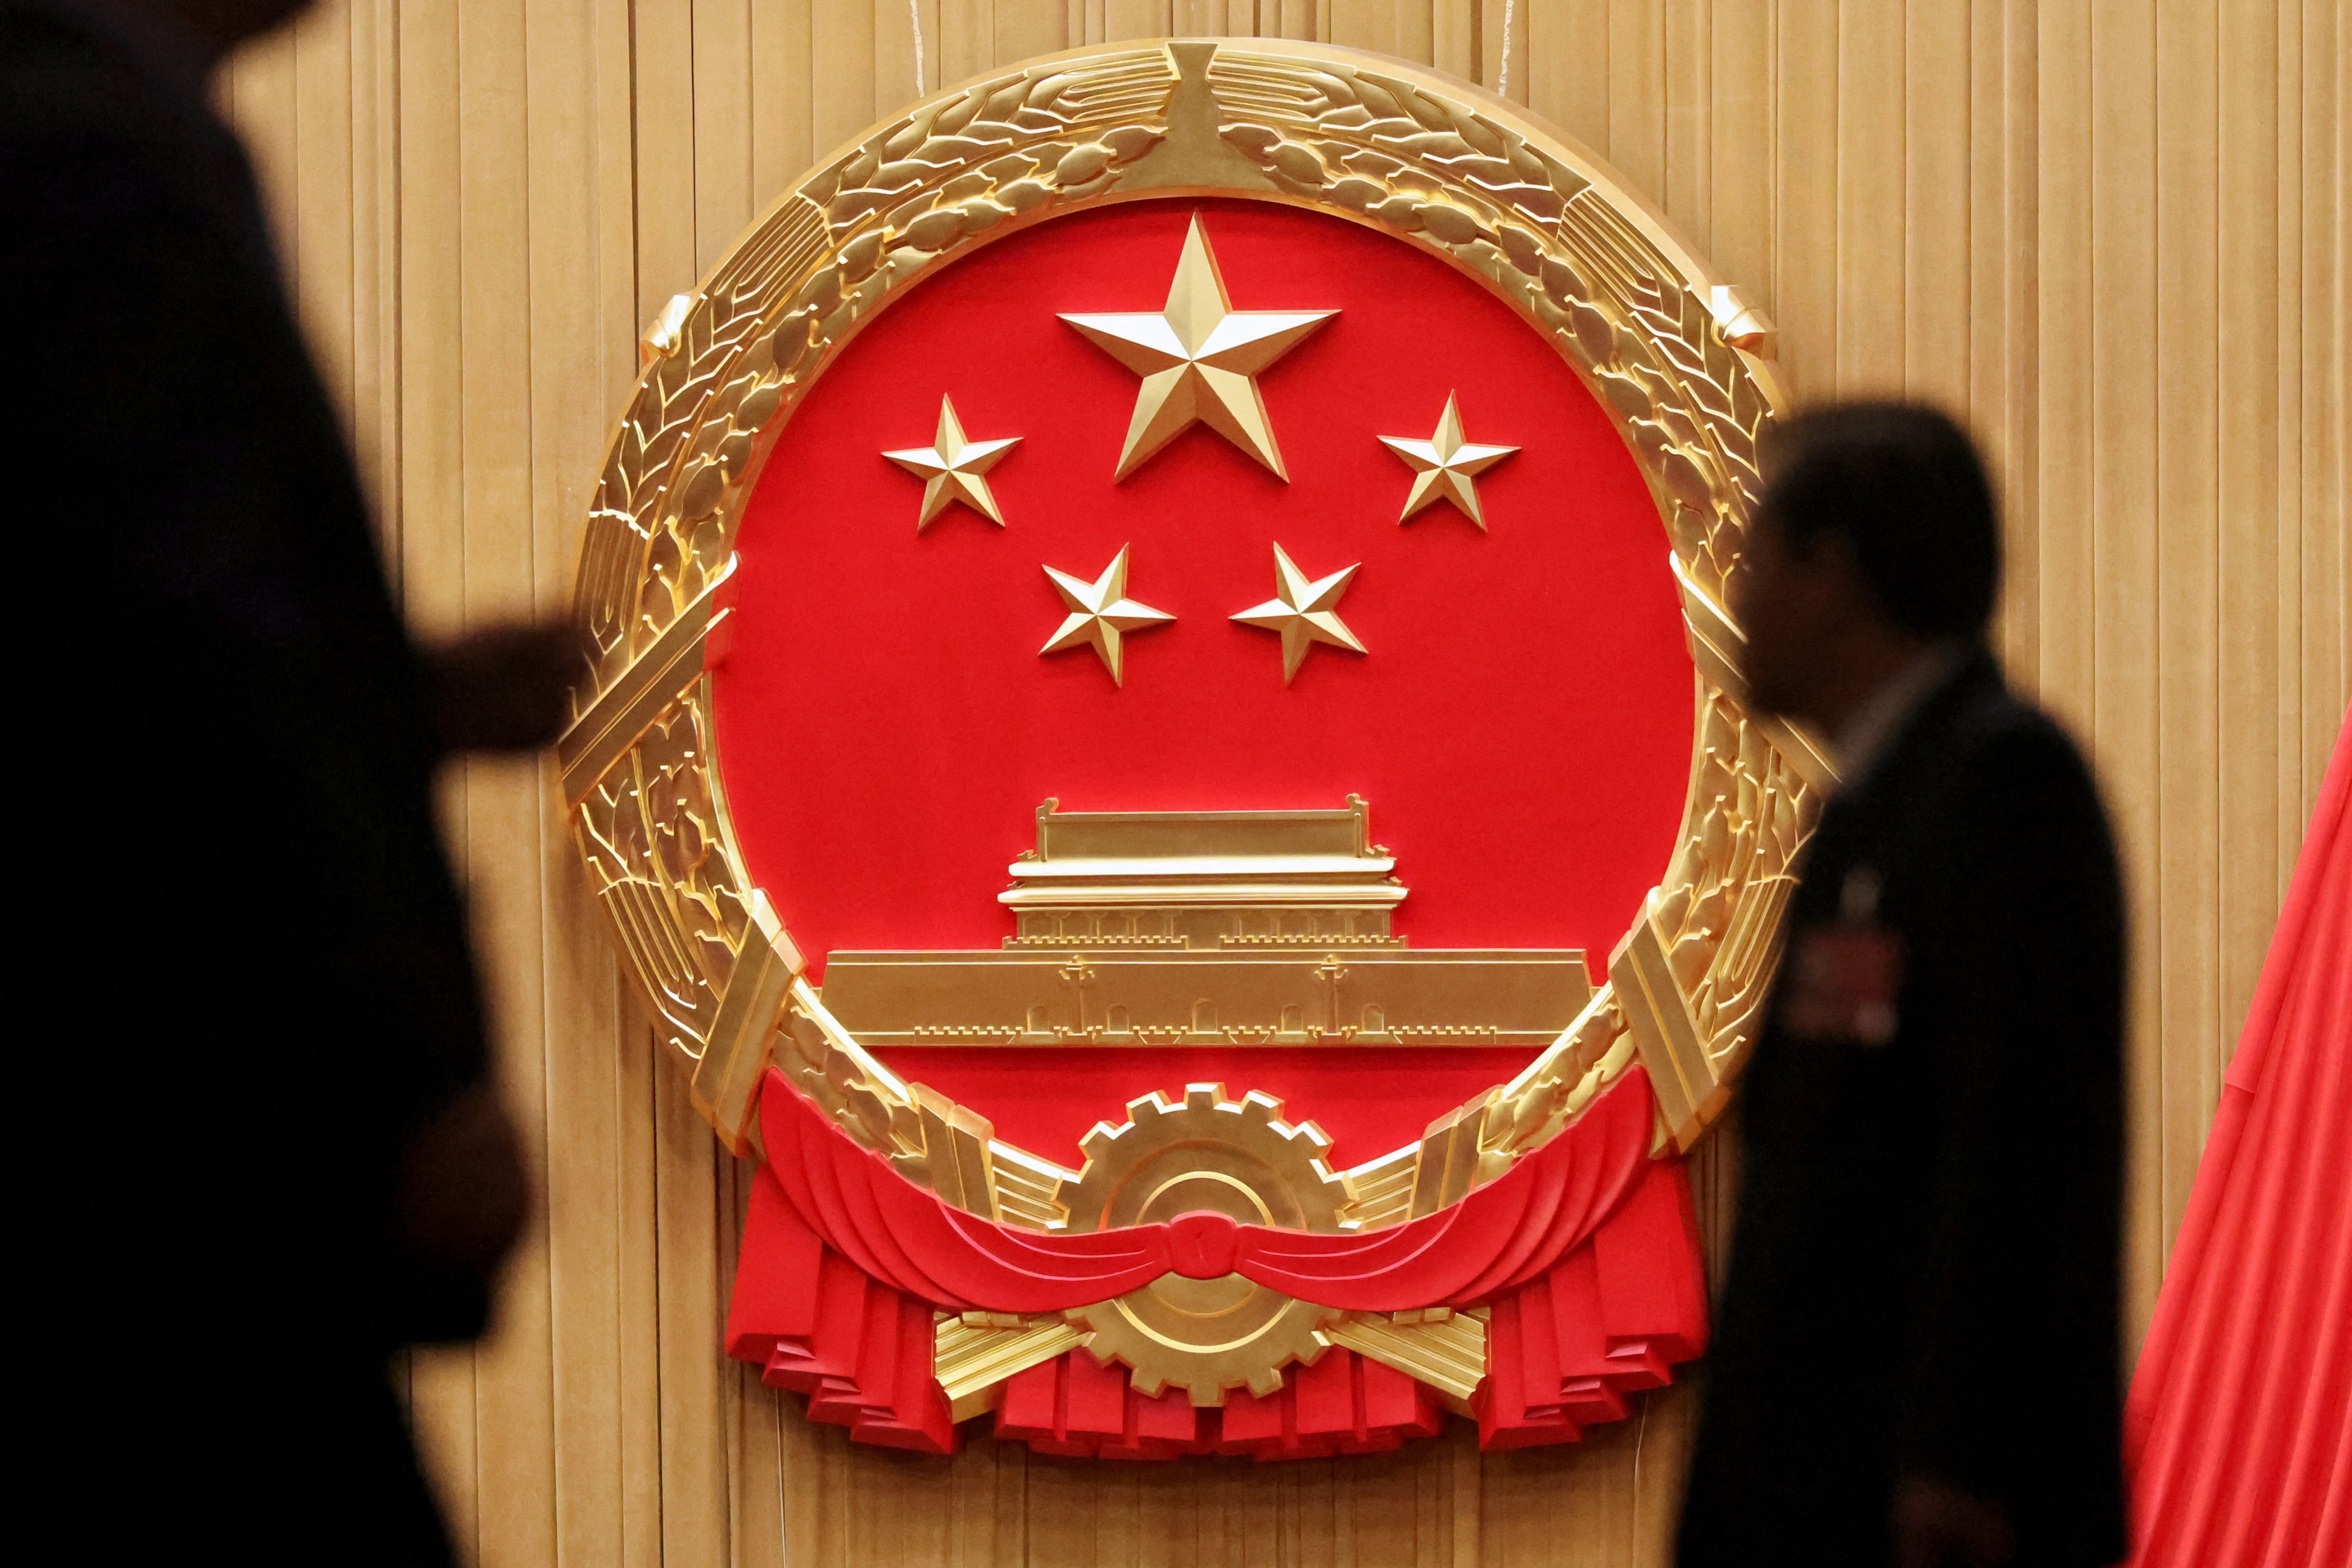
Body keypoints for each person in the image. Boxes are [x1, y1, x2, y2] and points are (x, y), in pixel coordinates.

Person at [5, 0, 566, 1559]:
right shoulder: (77, 153)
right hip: (171, 1210)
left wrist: (410, 703)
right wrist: (406, 1081)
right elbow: (194, 678)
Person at [1676, 404, 2127, 1568]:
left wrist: (1958, 1466)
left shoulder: (2003, 783)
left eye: (1751, 562)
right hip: (1817, 1482)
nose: (1732, 604)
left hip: (1921, 1508)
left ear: (1829, 575)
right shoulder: (1869, 807)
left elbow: (2021, 1151)